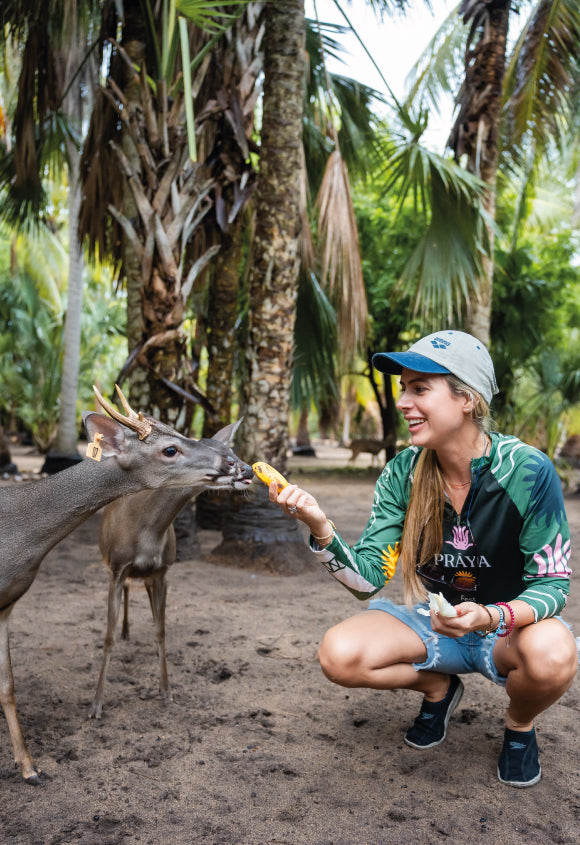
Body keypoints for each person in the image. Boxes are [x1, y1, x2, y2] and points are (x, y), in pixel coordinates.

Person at [269, 330, 577, 788]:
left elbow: (553, 584)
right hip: (434, 625)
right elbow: (368, 581)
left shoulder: (527, 471)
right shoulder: (401, 473)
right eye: (403, 390)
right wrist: (321, 527)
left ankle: (518, 726)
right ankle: (439, 688)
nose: (404, 402)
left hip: (507, 631)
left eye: (420, 388)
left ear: (466, 399)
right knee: (339, 655)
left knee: (554, 653)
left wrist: (491, 615)